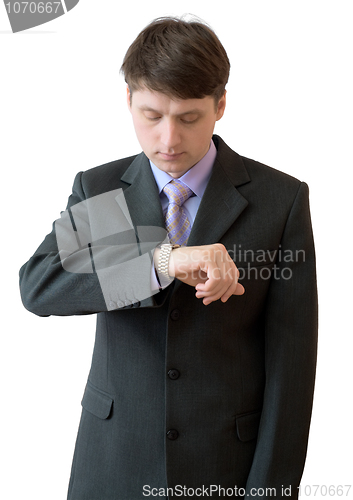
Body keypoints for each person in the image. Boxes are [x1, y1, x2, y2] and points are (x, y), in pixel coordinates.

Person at [19, 16, 318, 500]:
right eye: (151, 116)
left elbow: (292, 372)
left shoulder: (279, 200)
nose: (168, 140)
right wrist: (161, 263)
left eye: (189, 117)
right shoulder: (103, 190)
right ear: (129, 101)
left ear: (220, 104)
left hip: (224, 469)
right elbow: (39, 285)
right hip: (111, 468)